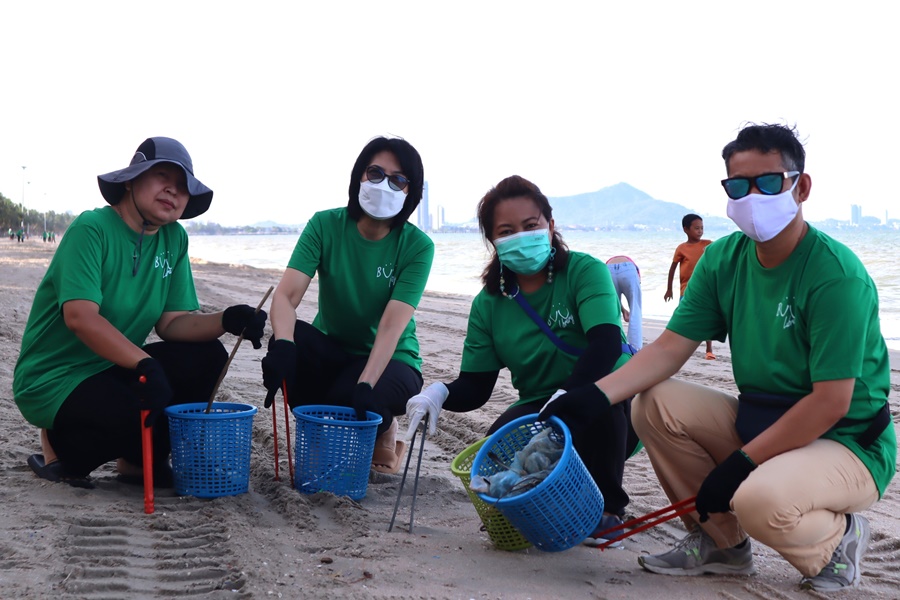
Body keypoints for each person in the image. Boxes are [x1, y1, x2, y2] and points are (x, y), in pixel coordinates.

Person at [541, 123, 895, 592]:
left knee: (757, 500)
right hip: (763, 420)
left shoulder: (834, 275)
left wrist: (742, 463)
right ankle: (722, 544)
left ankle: (839, 540)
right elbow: (668, 349)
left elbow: (831, 402)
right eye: (739, 186)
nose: (753, 197)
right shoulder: (723, 260)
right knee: (653, 402)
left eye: (768, 182)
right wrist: (592, 397)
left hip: (847, 441)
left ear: (801, 187)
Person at [12, 137, 267, 488]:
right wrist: (144, 363)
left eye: (183, 186)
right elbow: (80, 318)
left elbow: (172, 323)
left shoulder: (174, 238)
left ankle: (138, 462)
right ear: (131, 180)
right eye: (162, 176)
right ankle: (58, 446)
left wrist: (226, 320)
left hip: (112, 365)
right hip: (55, 376)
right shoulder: (92, 228)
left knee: (207, 356)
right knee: (130, 412)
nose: (173, 190)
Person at [404, 175, 638, 546]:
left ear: (550, 225)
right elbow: (476, 386)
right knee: (495, 450)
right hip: (541, 405)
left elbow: (606, 344)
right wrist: (439, 393)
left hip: (614, 399)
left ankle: (609, 511)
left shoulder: (584, 271)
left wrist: (569, 395)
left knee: (599, 402)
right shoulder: (488, 304)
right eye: (507, 231)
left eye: (531, 226)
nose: (521, 236)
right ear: (493, 241)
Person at [261, 136, 433, 475]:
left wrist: (366, 384)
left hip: (392, 360)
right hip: (334, 351)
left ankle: (385, 426)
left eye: (398, 180)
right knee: (293, 340)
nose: (383, 185)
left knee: (348, 397)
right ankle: (337, 423)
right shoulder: (324, 225)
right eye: (375, 173)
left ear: (410, 192)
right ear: (359, 177)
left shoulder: (417, 246)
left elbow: (391, 326)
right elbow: (286, 296)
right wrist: (283, 345)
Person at [665, 213, 715, 359]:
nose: (700, 231)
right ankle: (677, 345)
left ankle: (709, 350)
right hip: (686, 289)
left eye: (702, 228)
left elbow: (718, 259)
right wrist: (669, 289)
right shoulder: (682, 248)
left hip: (705, 289)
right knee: (682, 316)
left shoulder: (708, 245)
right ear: (686, 229)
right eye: (696, 228)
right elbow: (672, 269)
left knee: (707, 318)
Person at [606, 255, 642, 350]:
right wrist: (625, 310)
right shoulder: (634, 268)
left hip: (608, 269)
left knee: (612, 311)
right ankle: (635, 349)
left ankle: (613, 346)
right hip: (628, 269)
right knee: (635, 310)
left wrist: (622, 310)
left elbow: (615, 300)